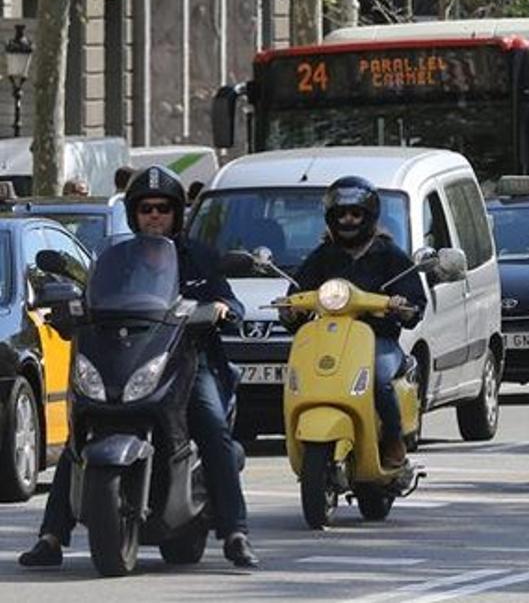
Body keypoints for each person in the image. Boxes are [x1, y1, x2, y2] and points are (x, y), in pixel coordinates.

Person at [19, 165, 258, 569]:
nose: (154, 216)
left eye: (162, 208)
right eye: (146, 208)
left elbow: (229, 301)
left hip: (187, 360)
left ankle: (235, 532)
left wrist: (221, 309)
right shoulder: (116, 259)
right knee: (79, 436)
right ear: (133, 213)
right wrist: (68, 309)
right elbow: (92, 295)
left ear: (176, 213)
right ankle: (50, 536)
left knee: (212, 425)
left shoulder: (197, 256)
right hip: (122, 358)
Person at [283, 176, 427, 471]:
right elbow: (297, 291)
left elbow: (415, 299)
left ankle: (393, 439)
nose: (348, 220)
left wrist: (402, 306)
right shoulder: (323, 255)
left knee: (379, 380)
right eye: (342, 214)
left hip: (377, 339)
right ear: (331, 218)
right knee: (302, 376)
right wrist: (290, 309)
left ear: (369, 216)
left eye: (356, 213)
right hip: (331, 339)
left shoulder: (389, 254)